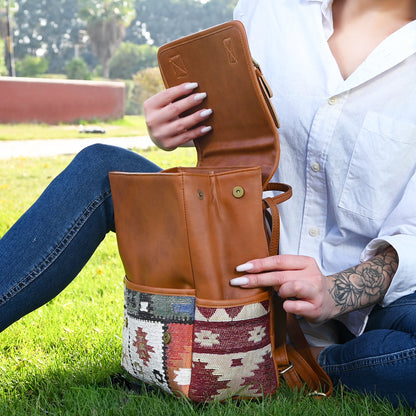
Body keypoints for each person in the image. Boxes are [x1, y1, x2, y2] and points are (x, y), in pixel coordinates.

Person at [0, 0, 415, 407]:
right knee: (100, 167)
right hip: (233, 258)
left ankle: (312, 363)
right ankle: (280, 359)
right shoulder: (268, 10)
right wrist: (178, 124)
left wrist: (334, 292)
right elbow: (232, 144)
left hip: (365, 308)